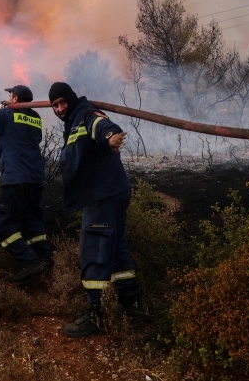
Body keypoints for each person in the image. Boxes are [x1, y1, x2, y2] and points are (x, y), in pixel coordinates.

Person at [48, 81, 142, 338]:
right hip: (110, 193)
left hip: (103, 195)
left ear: (71, 99)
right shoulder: (73, 120)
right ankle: (131, 306)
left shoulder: (86, 115)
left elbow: (101, 125)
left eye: (62, 102)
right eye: (55, 105)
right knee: (117, 248)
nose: (59, 108)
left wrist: (111, 136)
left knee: (94, 250)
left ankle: (96, 314)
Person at [0, 85, 53, 283]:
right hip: (35, 179)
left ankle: (29, 261)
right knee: (32, 223)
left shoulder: (6, 116)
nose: (8, 98)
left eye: (10, 95)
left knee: (0, 222)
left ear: (15, 99)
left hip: (15, 178)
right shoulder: (35, 119)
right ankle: (46, 262)